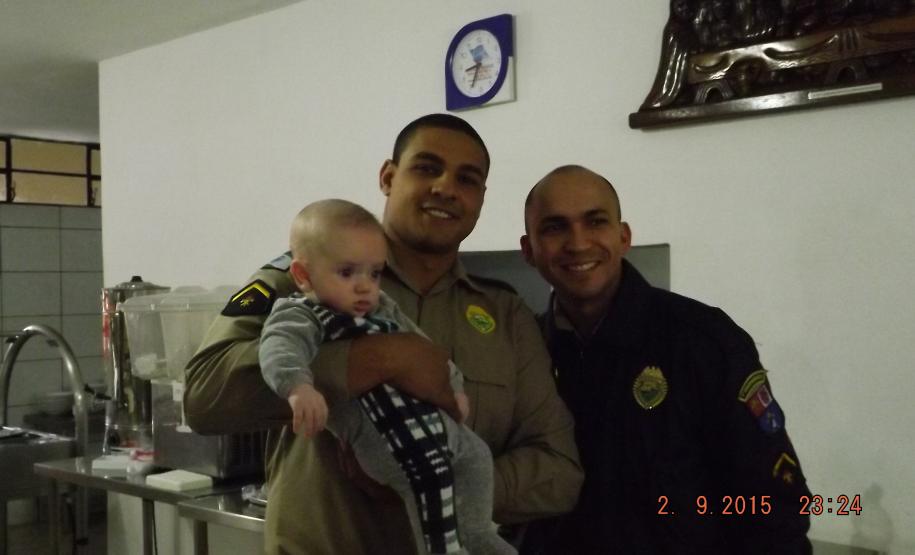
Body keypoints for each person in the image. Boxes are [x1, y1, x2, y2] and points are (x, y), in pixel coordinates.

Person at [184, 114, 583, 554]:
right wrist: (375, 359)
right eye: (427, 168)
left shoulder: (505, 314)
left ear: (480, 199)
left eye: (467, 179)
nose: (446, 188)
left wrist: (435, 482)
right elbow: (203, 397)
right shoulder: (311, 274)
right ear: (388, 177)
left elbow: (559, 470)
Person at [519, 165, 812, 554]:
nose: (578, 242)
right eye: (555, 227)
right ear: (529, 250)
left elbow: (774, 508)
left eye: (596, 221)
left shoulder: (703, 341)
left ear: (624, 237)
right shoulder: (524, 353)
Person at [258, 199, 514, 555]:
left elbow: (426, 351)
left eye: (374, 273)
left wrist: (453, 388)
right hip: (385, 438)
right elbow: (278, 348)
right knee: (428, 489)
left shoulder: (384, 309)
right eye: (347, 273)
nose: (365, 286)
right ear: (303, 275)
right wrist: (298, 387)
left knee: (477, 456)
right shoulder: (301, 314)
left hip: (432, 423)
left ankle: (478, 533)